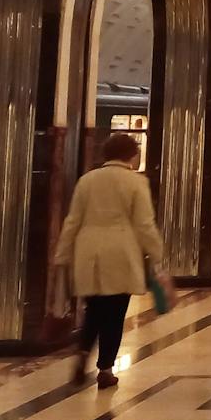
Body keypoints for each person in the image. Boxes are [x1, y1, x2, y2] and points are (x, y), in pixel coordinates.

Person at [55, 131, 166, 387]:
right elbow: (144, 224)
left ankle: (82, 353)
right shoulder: (136, 183)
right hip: (120, 253)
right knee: (114, 314)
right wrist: (157, 252)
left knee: (93, 310)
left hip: (88, 253)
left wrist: (62, 254)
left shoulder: (87, 181)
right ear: (132, 155)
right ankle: (105, 368)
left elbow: (72, 221)